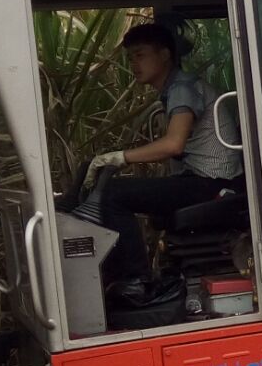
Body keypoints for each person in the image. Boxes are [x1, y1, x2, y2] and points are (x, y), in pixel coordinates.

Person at [92, 22, 242, 303]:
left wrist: (120, 157)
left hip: (213, 181)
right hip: (198, 178)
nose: (134, 64)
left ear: (164, 55)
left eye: (140, 55)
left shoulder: (183, 88)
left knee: (113, 195)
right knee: (118, 191)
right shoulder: (174, 88)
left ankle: (135, 280)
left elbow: (174, 143)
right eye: (130, 58)